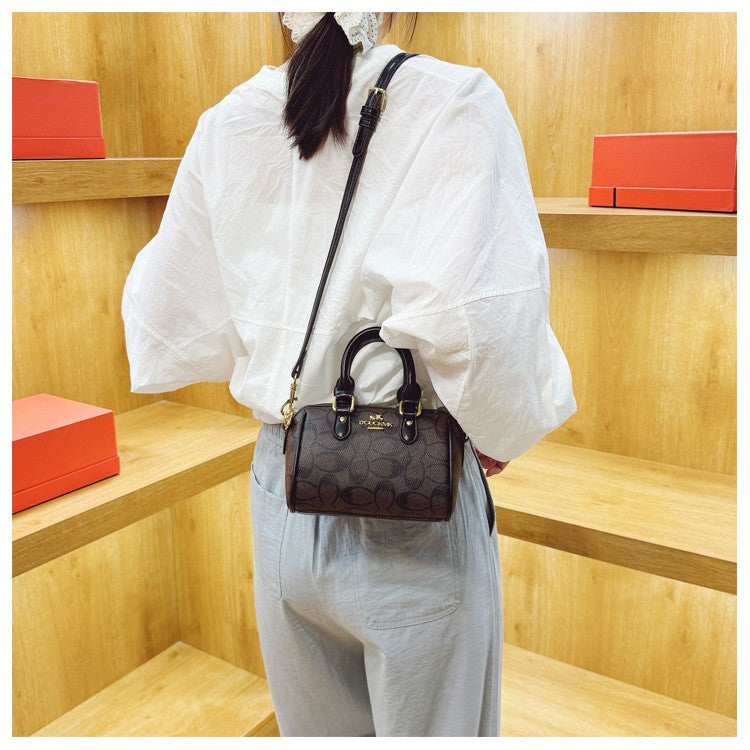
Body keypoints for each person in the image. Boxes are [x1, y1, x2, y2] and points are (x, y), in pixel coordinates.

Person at [121, 11, 576, 737]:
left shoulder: (227, 123)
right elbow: (479, 324)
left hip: (283, 481)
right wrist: (498, 427)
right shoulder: (453, 102)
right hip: (410, 496)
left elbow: (162, 312)